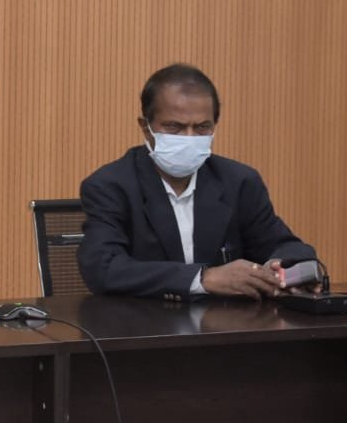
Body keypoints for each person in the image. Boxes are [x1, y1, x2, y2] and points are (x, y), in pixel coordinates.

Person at [78, 64, 318, 301]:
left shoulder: (239, 181)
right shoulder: (110, 185)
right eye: (174, 127)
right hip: (143, 321)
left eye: (202, 127)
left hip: (228, 322)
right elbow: (103, 268)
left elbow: (287, 247)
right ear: (146, 127)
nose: (189, 138)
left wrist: (285, 269)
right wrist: (202, 278)